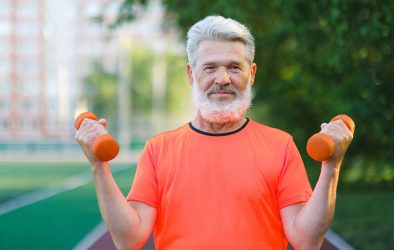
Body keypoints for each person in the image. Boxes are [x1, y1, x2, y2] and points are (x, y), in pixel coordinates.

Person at [76, 15, 353, 250]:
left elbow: (307, 241)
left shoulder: (280, 145)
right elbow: (128, 239)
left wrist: (332, 166)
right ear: (190, 73)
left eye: (234, 67)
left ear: (252, 73)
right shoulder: (158, 149)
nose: (222, 79)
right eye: (210, 68)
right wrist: (99, 166)